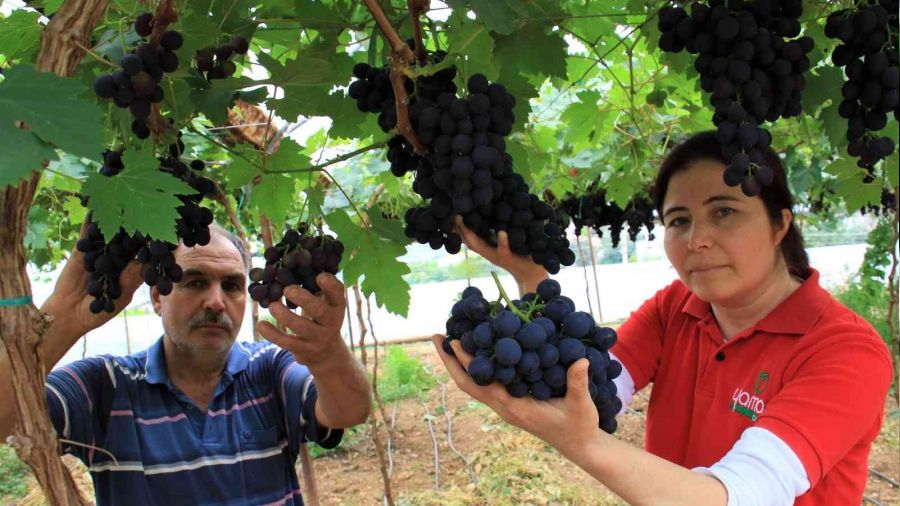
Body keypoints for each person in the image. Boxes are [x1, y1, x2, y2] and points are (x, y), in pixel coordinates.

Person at [433, 131, 893, 505]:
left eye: (724, 212)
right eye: (678, 220)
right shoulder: (676, 308)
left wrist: (587, 445)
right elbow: (587, 390)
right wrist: (529, 278)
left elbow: (742, 496)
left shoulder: (846, 353)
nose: (696, 241)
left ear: (780, 225)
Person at [0, 223, 371, 505]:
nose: (215, 301)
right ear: (158, 298)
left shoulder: (269, 369)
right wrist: (63, 318)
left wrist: (328, 354)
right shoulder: (105, 385)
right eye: (194, 282)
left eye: (232, 285)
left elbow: (350, 410)